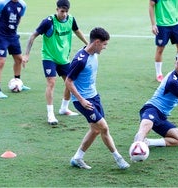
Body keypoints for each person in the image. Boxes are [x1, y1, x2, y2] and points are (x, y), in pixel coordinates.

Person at [65, 27, 130, 170]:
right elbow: (68, 81)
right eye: (104, 44)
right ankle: (118, 159)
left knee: (95, 130)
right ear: (97, 42)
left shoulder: (94, 53)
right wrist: (81, 100)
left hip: (94, 97)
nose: (105, 47)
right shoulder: (80, 60)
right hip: (84, 101)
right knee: (104, 127)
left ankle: (77, 158)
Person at [23, 0, 88, 126]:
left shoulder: (71, 20)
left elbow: (77, 30)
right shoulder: (48, 21)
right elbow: (33, 36)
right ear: (57, 9)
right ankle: (50, 114)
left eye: (66, 11)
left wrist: (87, 43)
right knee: (51, 82)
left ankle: (64, 108)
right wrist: (26, 54)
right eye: (62, 11)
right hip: (49, 57)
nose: (64, 14)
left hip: (63, 58)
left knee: (70, 83)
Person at [0, 0, 30, 99]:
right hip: (1, 36)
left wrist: (14, 30)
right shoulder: (2, 3)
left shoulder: (23, 5)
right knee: (1, 62)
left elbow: (19, 17)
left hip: (13, 36)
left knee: (18, 60)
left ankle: (18, 82)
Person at [149, 0, 178, 82]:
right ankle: (159, 74)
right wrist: (153, 24)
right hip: (162, 25)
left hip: (176, 23)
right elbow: (151, 5)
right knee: (160, 49)